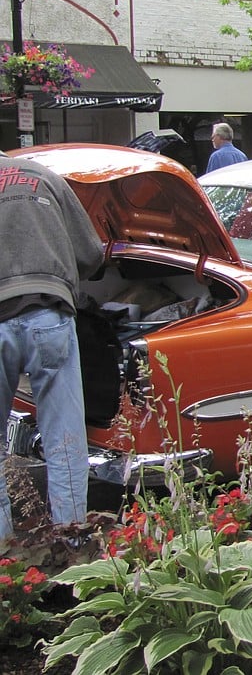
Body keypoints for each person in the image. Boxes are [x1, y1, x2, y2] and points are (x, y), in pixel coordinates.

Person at [0, 153, 104, 542]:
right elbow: (90, 254)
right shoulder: (42, 175)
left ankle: (6, 568)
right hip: (49, 316)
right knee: (64, 441)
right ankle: (72, 548)